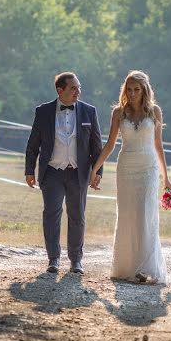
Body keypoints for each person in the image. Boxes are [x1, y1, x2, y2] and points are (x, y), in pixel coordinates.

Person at [89, 70, 171, 284]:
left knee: (146, 213)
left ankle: (145, 267)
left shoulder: (155, 112)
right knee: (127, 214)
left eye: (137, 90)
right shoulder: (118, 113)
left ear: (145, 90)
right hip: (125, 167)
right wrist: (95, 169)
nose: (133, 93)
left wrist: (166, 178)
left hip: (148, 167)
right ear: (125, 90)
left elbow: (159, 146)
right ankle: (127, 266)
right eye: (129, 89)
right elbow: (109, 145)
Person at [25, 72, 104, 274]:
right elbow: (33, 144)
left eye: (79, 87)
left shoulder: (89, 112)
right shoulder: (43, 111)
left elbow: (97, 146)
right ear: (60, 90)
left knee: (77, 216)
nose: (78, 91)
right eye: (73, 88)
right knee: (51, 214)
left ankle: (76, 260)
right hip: (52, 172)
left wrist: (98, 172)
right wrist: (29, 170)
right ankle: (53, 259)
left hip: (79, 173)